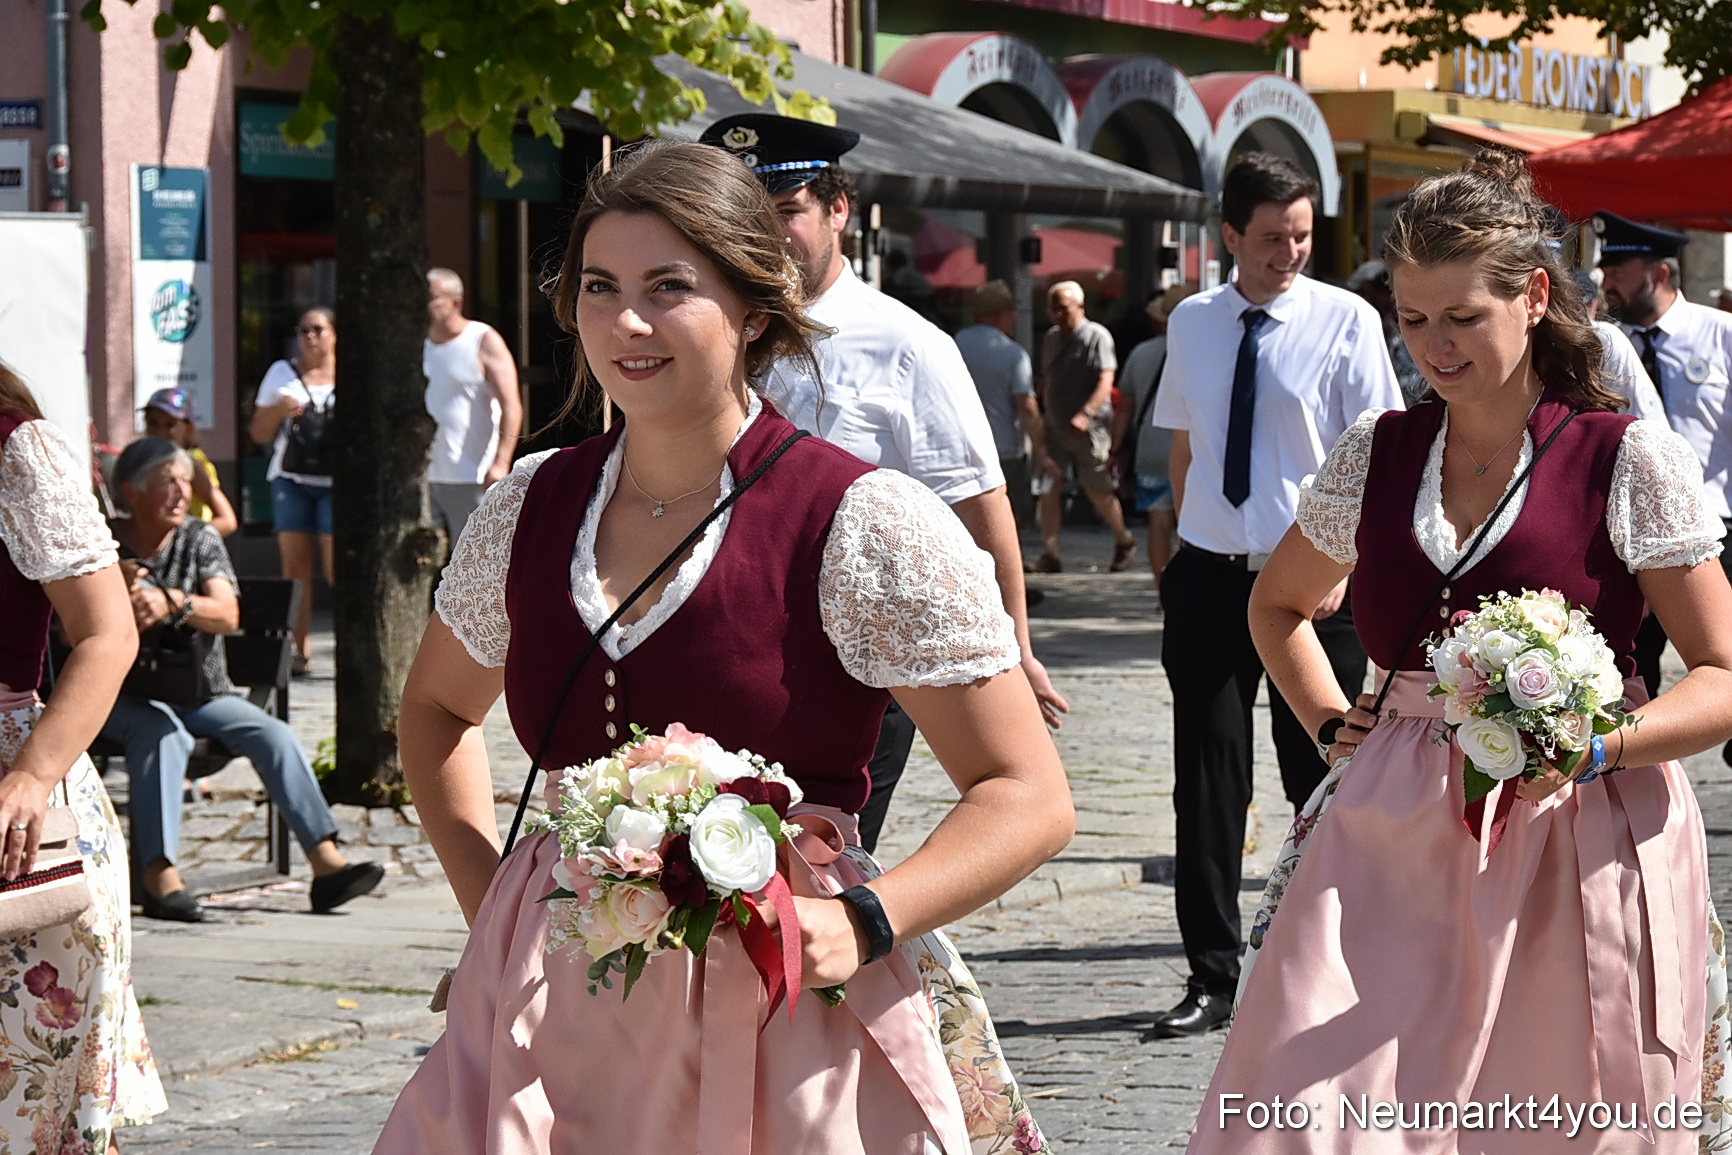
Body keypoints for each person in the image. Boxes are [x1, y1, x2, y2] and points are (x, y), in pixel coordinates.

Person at [372, 139, 1072, 1154]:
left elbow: (1027, 794)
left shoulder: (858, 519)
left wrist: (868, 921)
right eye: (600, 287)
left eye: (670, 287)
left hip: (784, 1001)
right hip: (561, 1006)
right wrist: (498, 916)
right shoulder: (529, 504)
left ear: (753, 307)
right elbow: (436, 711)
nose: (627, 322)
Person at [1190, 148, 1730, 1154]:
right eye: (1412, 319)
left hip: (1573, 827)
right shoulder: (1378, 450)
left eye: (1461, 317)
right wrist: (1326, 721)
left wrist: (1595, 744)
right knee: (1310, 1106)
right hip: (1388, 835)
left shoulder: (1619, 455)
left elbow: (1724, 673)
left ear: (1532, 297)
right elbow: (1277, 608)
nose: (1433, 346)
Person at [699, 112, 1069, 857]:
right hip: (725, 640)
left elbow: (979, 504)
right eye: (748, 218)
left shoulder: (907, 346)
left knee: (807, 867)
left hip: (857, 663)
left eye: (787, 213)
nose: (768, 236)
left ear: (840, 210)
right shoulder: (715, 326)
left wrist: (1013, 646)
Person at [1147, 152, 1403, 1038]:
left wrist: (1347, 566)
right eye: (1269, 238)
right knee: (1207, 784)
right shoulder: (1195, 321)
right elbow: (1187, 446)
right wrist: (1180, 548)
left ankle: (1322, 970)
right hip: (1212, 582)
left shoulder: (1346, 320)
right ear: (1228, 236)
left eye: (1300, 235)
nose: (1288, 252)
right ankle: (1211, 977)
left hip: (1313, 592)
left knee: (1324, 780)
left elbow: (1377, 454)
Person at [96, 438, 383, 922]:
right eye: (169, 481)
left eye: (186, 480)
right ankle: (160, 874)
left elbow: (228, 613)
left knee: (270, 732)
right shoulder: (103, 542)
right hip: (121, 695)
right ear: (132, 489)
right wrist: (114, 594)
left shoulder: (197, 537)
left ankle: (326, 863)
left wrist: (173, 603)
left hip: (198, 691)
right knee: (162, 733)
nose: (182, 492)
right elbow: (66, 626)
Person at [0, 364, 167, 1149]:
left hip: (18, 801)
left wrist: (32, 774)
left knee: (28, 1111)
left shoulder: (15, 449)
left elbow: (107, 632)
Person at [1595, 211, 1732, 705]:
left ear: (1660, 274)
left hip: (1721, 527)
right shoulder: (1601, 347)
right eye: (1604, 272)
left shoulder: (1721, 334)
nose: (1606, 284)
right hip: (1637, 535)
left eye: (1618, 272)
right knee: (1631, 672)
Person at [248, 307, 336, 676]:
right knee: (295, 569)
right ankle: (299, 651)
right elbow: (257, 434)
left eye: (317, 329)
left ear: (334, 334)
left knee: (337, 568)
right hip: (291, 480)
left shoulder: (354, 371)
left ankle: (353, 649)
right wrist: (279, 410)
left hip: (337, 482)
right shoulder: (281, 373)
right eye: (303, 330)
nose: (309, 337)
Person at [1033, 281, 1138, 574]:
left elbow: (1106, 378)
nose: (1057, 314)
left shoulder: (1096, 336)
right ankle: (1050, 553)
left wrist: (1086, 413)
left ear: (1080, 308)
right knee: (1049, 489)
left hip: (1089, 430)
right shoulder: (1052, 338)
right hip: (1055, 426)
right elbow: (1048, 377)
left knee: (1098, 490)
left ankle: (1123, 538)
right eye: (1053, 308)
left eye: (1063, 308)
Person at [424, 268, 523, 545]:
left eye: (431, 297)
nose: (424, 304)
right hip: (425, 476)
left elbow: (511, 405)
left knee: (472, 564)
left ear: (456, 302)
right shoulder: (417, 345)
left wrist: (501, 462)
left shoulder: (482, 339)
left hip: (472, 476)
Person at [1115, 282, 1196, 583]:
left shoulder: (1141, 352)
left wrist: (1115, 449)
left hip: (1150, 450)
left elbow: (1124, 405)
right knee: (1193, 525)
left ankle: (1164, 589)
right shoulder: (1206, 352)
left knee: (1158, 521)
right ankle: (1188, 587)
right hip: (1195, 450)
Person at [953, 279, 1045, 531]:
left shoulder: (954, 344)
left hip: (960, 445)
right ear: (999, 314)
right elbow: (1026, 408)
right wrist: (1042, 451)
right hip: (1004, 448)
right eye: (1011, 312)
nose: (1013, 318)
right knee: (1006, 515)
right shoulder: (1013, 353)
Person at [141, 387, 237, 536]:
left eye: (170, 425)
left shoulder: (191, 464)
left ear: (188, 429)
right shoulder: (144, 462)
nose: (160, 432)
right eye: (153, 423)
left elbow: (227, 521)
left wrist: (190, 542)